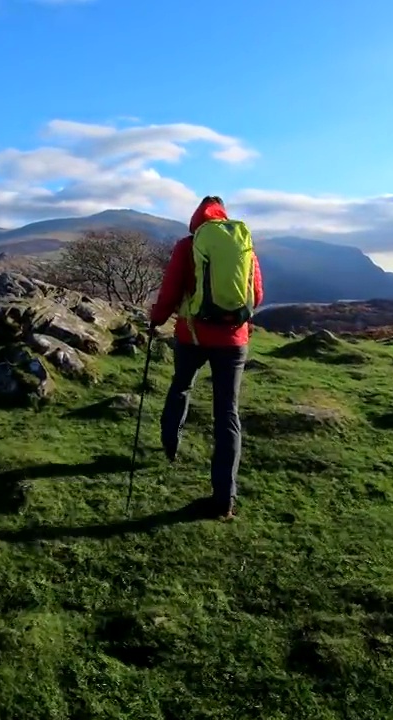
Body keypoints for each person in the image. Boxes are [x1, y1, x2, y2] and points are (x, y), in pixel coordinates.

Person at [149, 195, 264, 520]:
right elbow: (256, 294)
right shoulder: (243, 244)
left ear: (196, 218)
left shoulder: (188, 245)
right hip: (234, 340)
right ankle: (223, 500)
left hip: (193, 336)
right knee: (227, 413)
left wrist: (156, 319)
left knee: (182, 385)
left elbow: (170, 291)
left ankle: (170, 443)